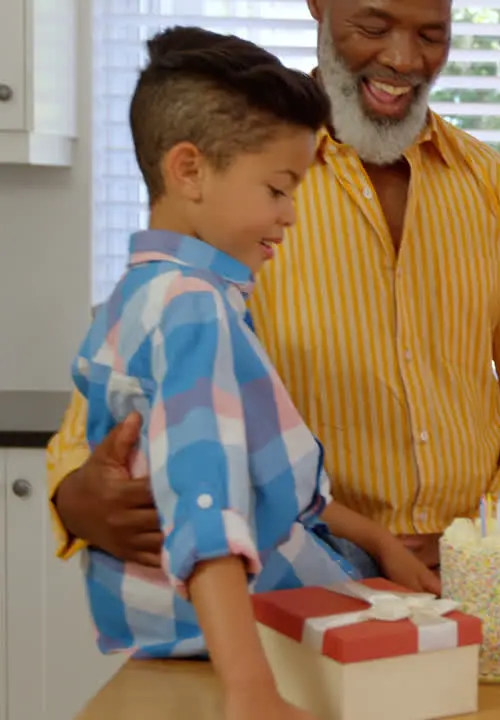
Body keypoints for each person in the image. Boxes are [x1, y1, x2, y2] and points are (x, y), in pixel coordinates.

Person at [45, 0, 500, 581]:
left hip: (467, 569)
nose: (404, 59)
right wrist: (75, 497)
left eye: (432, 34)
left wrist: (490, 538)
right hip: (295, 574)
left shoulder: (498, 191)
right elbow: (127, 371)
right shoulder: (240, 191)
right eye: (373, 27)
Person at [73, 27, 435, 719]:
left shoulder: (136, 297)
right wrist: (251, 692)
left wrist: (379, 540)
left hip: (228, 625)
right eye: (277, 188)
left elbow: (262, 475)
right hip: (238, 643)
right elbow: (205, 504)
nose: (290, 215)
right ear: (189, 170)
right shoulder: (194, 310)